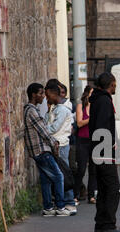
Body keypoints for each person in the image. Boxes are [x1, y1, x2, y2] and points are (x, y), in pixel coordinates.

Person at [89, 72, 120, 232]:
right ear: (110, 85)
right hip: (104, 151)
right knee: (113, 188)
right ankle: (108, 224)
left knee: (104, 189)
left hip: (97, 150)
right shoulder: (105, 101)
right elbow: (103, 126)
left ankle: (100, 223)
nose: (116, 88)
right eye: (114, 85)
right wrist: (111, 147)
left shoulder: (97, 100)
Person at [23, 83, 72, 217]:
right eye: (40, 93)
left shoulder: (33, 110)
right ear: (33, 95)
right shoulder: (31, 111)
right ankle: (60, 206)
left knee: (46, 179)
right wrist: (54, 144)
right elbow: (43, 131)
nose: (43, 97)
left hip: (38, 151)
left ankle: (48, 207)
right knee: (58, 176)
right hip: (41, 150)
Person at [44, 81, 77, 215]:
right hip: (54, 144)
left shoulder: (63, 110)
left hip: (62, 144)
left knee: (64, 173)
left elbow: (53, 127)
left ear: (53, 94)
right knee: (58, 175)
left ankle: (70, 202)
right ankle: (61, 201)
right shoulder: (54, 109)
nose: (47, 98)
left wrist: (43, 130)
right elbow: (47, 121)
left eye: (48, 95)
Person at [74, 85, 97, 204]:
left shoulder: (96, 106)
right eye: (91, 93)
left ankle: (91, 195)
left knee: (93, 169)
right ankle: (75, 195)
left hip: (94, 140)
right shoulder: (81, 105)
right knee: (81, 169)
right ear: (87, 94)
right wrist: (92, 118)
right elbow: (79, 123)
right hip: (82, 140)